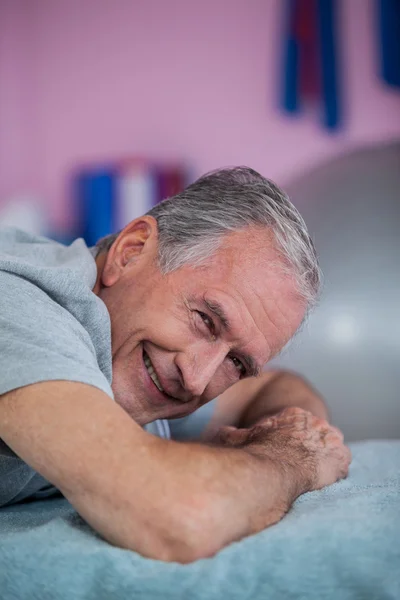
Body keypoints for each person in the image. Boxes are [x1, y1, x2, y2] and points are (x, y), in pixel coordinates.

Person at [0, 167, 351, 563]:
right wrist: (295, 461)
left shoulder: (134, 353)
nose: (197, 378)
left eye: (236, 362)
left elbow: (278, 388)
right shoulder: (18, 302)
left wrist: (292, 434)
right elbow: (178, 518)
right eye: (205, 319)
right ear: (131, 251)